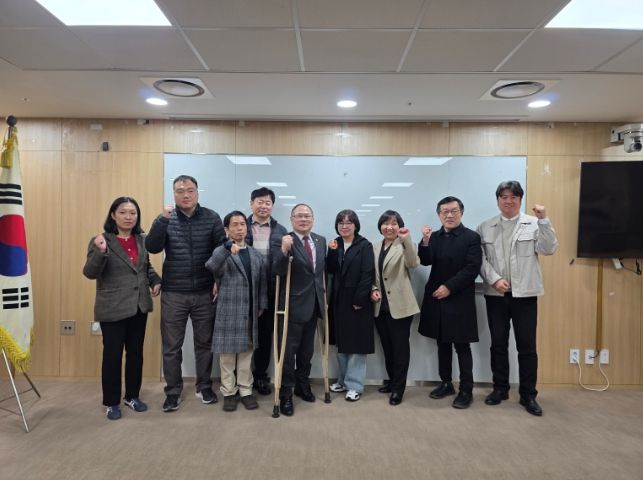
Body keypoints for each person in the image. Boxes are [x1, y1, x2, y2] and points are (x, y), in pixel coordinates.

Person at [477, 180, 558, 416]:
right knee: (498, 344)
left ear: (520, 199)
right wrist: (494, 279)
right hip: (496, 295)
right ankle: (500, 389)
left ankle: (528, 395)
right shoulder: (485, 226)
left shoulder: (533, 223)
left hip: (525, 296)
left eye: (513, 197)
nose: (508, 201)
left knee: (527, 346)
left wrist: (544, 220)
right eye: (504, 197)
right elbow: (480, 260)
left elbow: (549, 249)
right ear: (497, 200)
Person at [145, 175, 226, 412]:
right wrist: (162, 220)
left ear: (197, 192)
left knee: (204, 343)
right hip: (174, 293)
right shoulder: (165, 219)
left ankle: (204, 386)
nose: (185, 195)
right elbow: (152, 247)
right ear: (174, 194)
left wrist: (217, 280)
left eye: (190, 190)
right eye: (180, 191)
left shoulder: (212, 217)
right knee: (172, 346)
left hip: (204, 292)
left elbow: (221, 250)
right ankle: (172, 391)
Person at [83, 197, 161, 420]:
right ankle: (111, 402)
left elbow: (145, 268)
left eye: (133, 213)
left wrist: (155, 280)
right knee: (112, 356)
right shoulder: (101, 240)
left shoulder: (142, 239)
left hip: (139, 306)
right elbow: (90, 272)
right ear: (113, 215)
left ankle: (132, 396)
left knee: (135, 354)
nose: (128, 217)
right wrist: (101, 252)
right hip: (113, 308)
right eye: (123, 212)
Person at [418, 196, 482, 409]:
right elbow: (425, 260)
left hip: (459, 298)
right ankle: (446, 383)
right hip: (437, 298)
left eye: (454, 211)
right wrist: (425, 241)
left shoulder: (471, 237)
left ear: (461, 213)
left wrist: (449, 287)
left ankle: (466, 390)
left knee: (462, 346)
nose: (449, 215)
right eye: (445, 211)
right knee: (442, 343)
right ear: (439, 215)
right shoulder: (434, 237)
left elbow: (472, 268)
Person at [205, 211, 268, 412]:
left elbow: (262, 282)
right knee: (227, 357)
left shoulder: (255, 254)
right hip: (229, 311)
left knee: (246, 354)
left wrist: (261, 304)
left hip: (249, 312)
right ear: (227, 229)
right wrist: (226, 249)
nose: (240, 228)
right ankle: (229, 392)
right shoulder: (221, 251)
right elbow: (211, 266)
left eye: (242, 224)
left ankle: (246, 391)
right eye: (235, 224)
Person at [273, 203, 326, 416]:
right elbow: (277, 270)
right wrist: (283, 250)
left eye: (307, 216)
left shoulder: (320, 241)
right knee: (288, 354)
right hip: (291, 306)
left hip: (314, 304)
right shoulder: (284, 239)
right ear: (292, 219)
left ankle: (302, 385)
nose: (303, 219)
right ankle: (285, 393)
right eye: (299, 216)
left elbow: (319, 273)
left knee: (306, 352)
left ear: (312, 219)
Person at [371, 210, 420, 406]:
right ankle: (392, 381)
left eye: (393, 223)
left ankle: (398, 389)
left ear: (400, 226)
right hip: (379, 306)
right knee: (387, 348)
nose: (389, 227)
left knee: (400, 350)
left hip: (400, 306)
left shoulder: (405, 245)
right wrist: (373, 289)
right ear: (380, 226)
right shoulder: (375, 246)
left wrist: (406, 239)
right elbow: (371, 274)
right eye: (385, 223)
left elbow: (413, 263)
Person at [327, 210, 375, 402]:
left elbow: (367, 273)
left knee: (356, 346)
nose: (344, 226)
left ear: (356, 225)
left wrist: (359, 300)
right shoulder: (335, 244)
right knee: (342, 344)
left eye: (348, 223)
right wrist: (331, 252)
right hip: (338, 301)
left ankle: (355, 385)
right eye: (341, 223)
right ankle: (343, 381)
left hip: (357, 301)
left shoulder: (364, 245)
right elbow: (330, 270)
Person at [245, 187, 287, 396]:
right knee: (242, 335)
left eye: (267, 202)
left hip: (270, 291)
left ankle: (260, 376)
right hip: (243, 289)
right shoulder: (240, 225)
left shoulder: (281, 230)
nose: (263, 206)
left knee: (264, 336)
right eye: (259, 202)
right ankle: (240, 378)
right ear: (251, 203)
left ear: (272, 205)